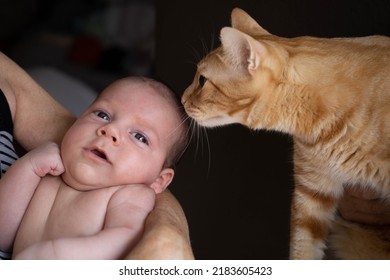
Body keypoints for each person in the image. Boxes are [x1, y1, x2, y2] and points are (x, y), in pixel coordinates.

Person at [0, 52, 194, 260]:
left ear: (159, 180)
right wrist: (28, 167)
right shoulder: (46, 173)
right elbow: (3, 234)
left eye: (139, 136)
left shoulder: (128, 195)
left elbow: (123, 239)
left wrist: (56, 256)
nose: (110, 130)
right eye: (102, 115)